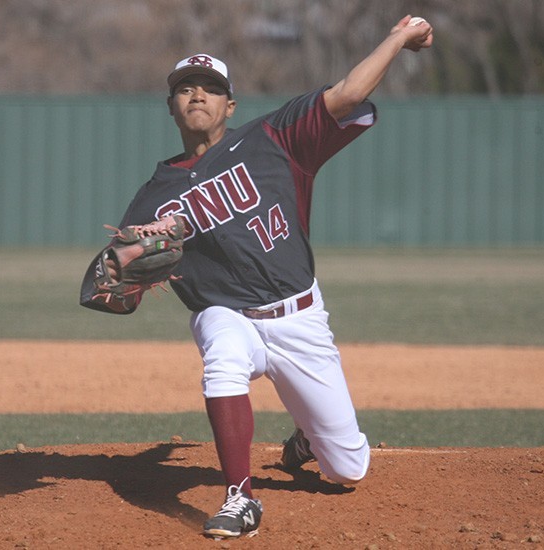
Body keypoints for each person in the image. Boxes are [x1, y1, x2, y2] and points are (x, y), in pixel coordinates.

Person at [80, 15, 433, 538]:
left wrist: (399, 38)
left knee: (348, 469)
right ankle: (240, 498)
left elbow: (348, 93)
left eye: (211, 88)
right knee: (221, 354)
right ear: (171, 107)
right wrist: (119, 273)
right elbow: (115, 290)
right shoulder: (154, 197)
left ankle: (308, 439)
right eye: (185, 88)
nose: (197, 94)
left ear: (230, 106)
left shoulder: (275, 138)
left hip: (299, 318)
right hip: (226, 315)